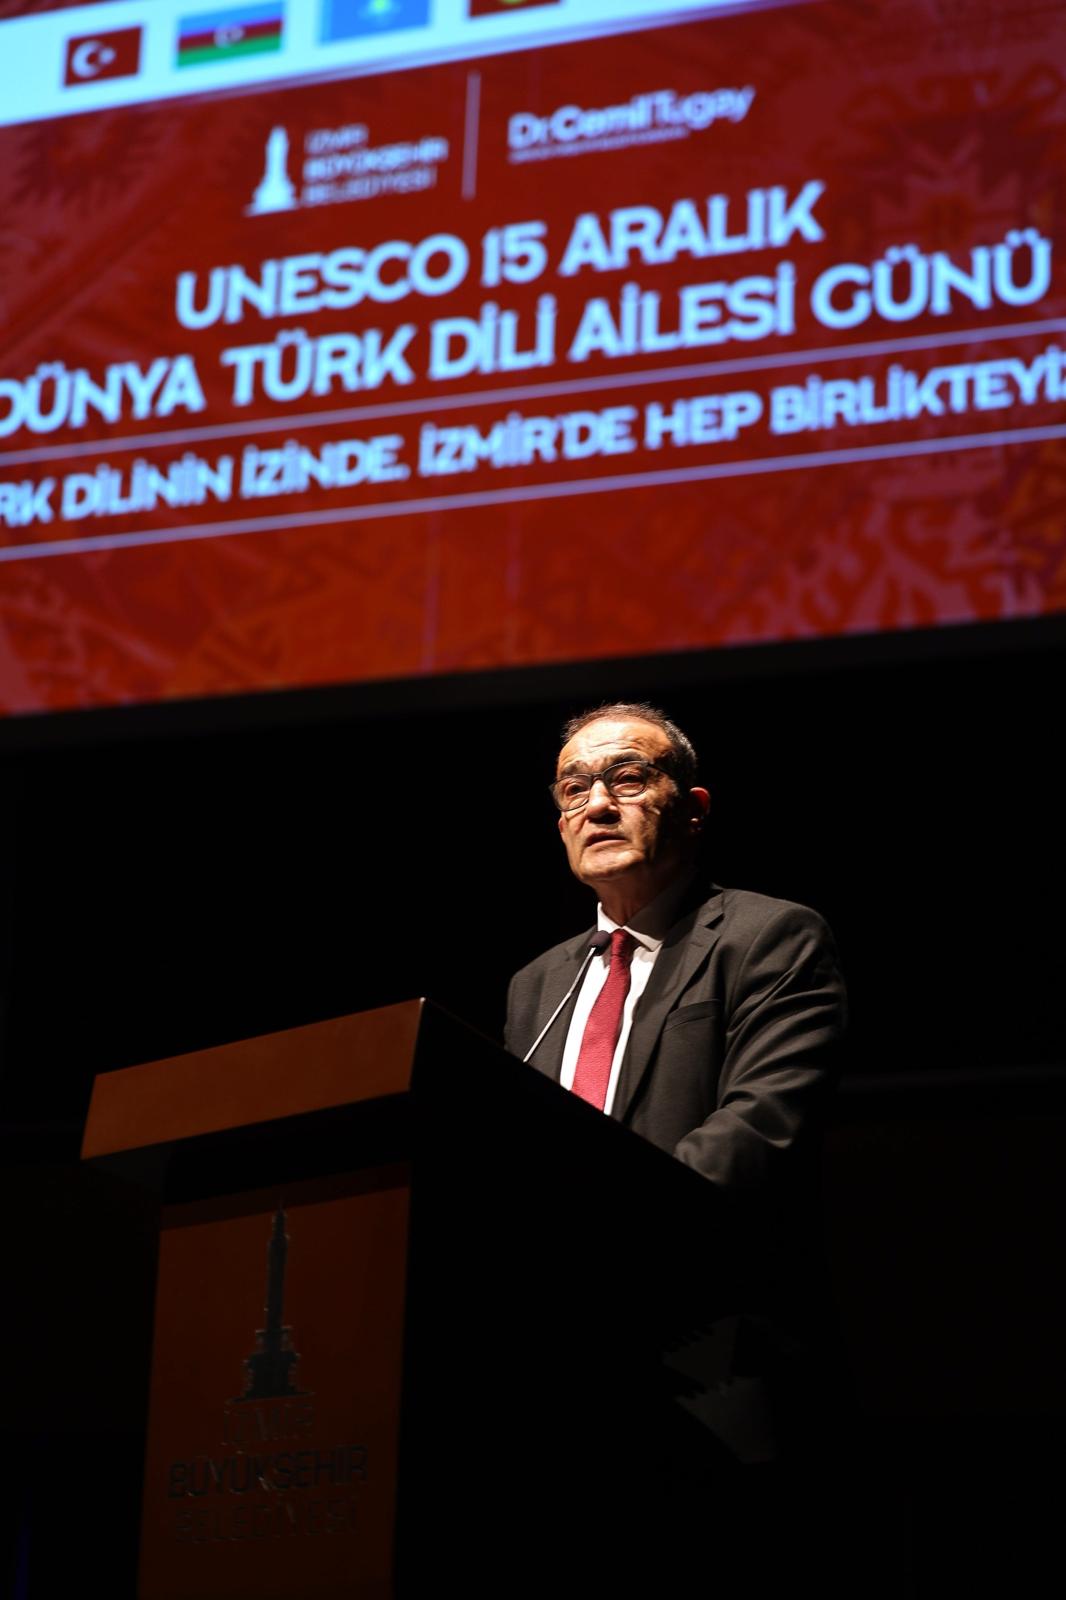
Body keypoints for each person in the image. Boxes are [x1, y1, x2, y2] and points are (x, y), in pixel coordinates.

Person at [504, 701, 847, 1208]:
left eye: (627, 779)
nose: (597, 806)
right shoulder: (536, 984)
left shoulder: (769, 936)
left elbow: (759, 1124)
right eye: (574, 790)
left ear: (694, 809)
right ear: (562, 828)